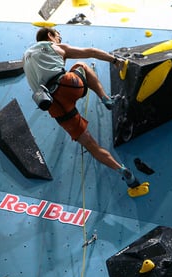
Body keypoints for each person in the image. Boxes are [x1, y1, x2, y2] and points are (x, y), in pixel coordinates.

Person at [23, 27, 147, 196]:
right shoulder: (55, 47)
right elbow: (91, 51)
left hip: (53, 106)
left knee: (91, 146)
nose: (59, 39)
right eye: (58, 36)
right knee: (82, 65)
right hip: (68, 85)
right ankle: (106, 99)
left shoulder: (26, 57)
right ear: (50, 36)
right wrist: (115, 61)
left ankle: (125, 173)